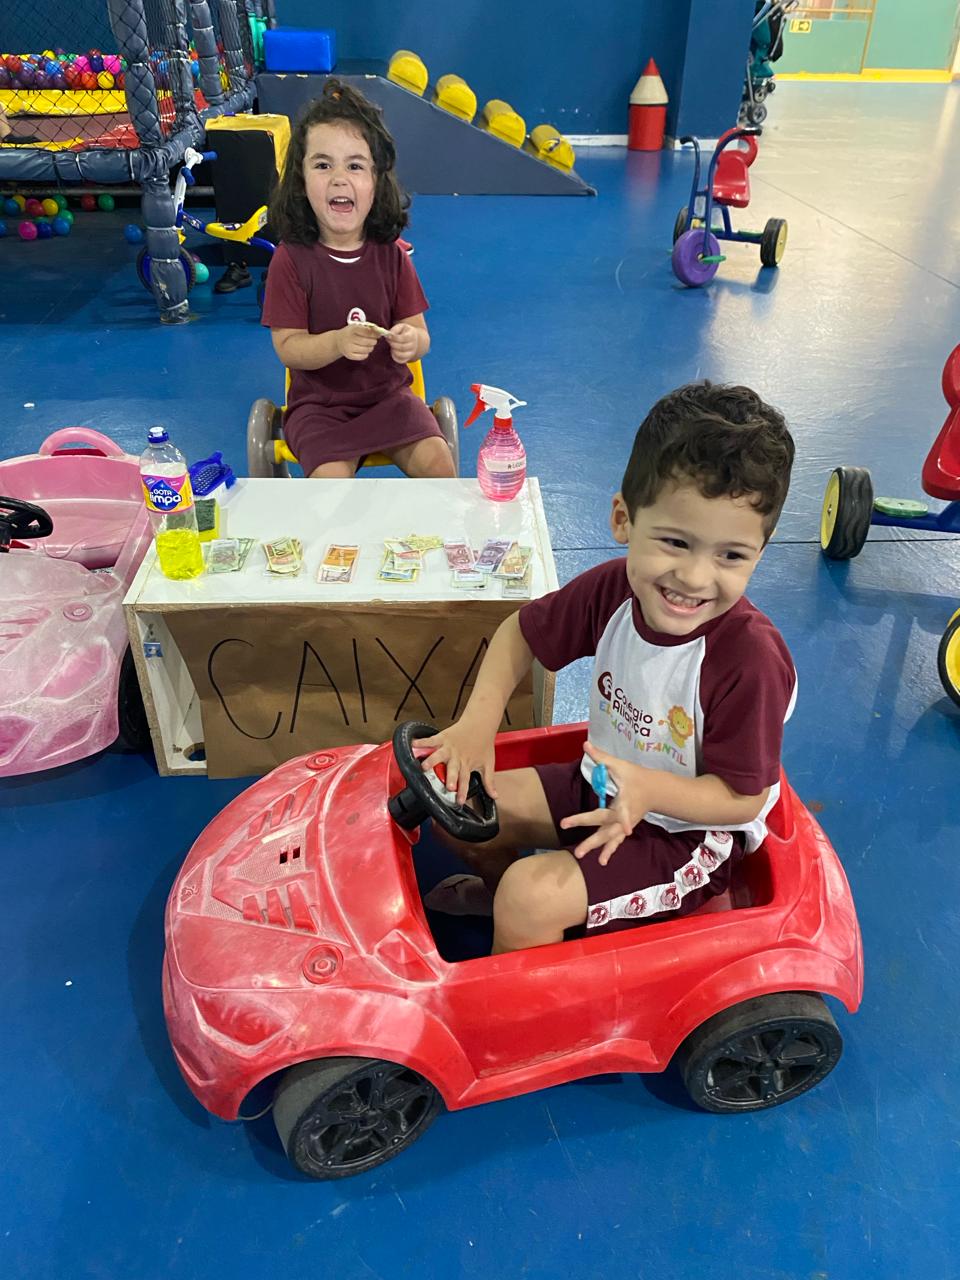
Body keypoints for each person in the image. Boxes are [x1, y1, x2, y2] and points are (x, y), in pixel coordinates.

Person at [418, 381, 797, 953]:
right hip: (601, 783)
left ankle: (523, 972)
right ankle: (509, 914)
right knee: (461, 801)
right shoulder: (613, 592)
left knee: (530, 894)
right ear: (623, 519)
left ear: (760, 553)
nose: (695, 578)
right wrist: (477, 725)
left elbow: (743, 800)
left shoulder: (750, 659)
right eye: (674, 541)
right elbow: (519, 633)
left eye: (731, 556)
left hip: (684, 835)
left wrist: (648, 792)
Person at [260, 79, 455, 479]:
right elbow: (288, 348)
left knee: (440, 467)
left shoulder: (392, 255)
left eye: (355, 165)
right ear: (300, 179)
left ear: (375, 181)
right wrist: (337, 342)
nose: (338, 178)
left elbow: (421, 336)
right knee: (331, 488)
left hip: (390, 400)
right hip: (320, 409)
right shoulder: (291, 259)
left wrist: (408, 342)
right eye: (322, 164)